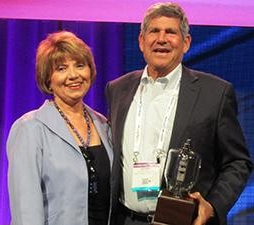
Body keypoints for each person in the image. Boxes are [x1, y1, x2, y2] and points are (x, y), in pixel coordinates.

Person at [105, 2, 252, 225]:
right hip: (125, 219)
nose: (161, 39)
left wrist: (212, 206)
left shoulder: (216, 93)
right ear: (141, 42)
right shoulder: (118, 89)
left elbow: (238, 162)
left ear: (186, 43)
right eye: (154, 31)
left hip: (183, 221)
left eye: (171, 32)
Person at [7, 31, 113, 225]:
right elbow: (26, 209)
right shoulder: (30, 129)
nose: (73, 75)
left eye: (80, 65)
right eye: (62, 68)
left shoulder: (103, 125)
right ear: (48, 79)